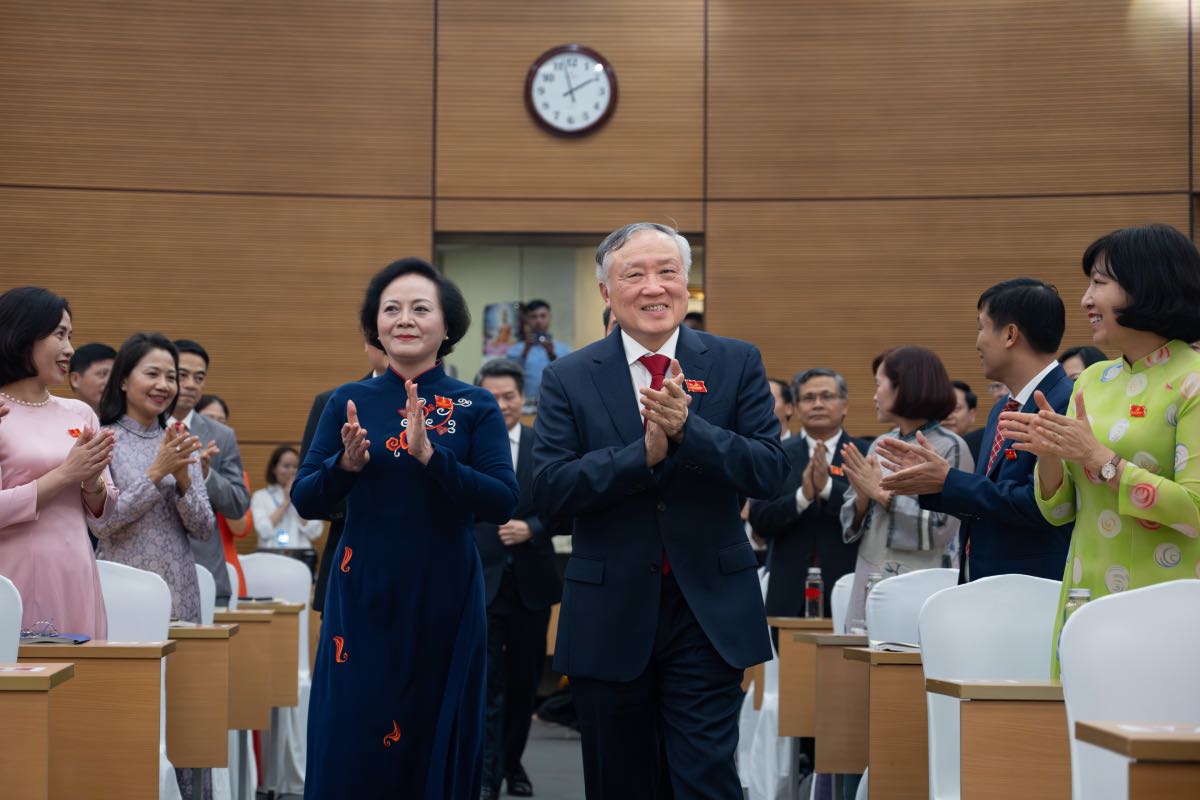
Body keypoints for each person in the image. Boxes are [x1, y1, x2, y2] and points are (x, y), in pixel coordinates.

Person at [532, 222, 786, 797]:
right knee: (620, 781)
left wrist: (691, 433)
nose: (654, 287)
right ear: (606, 292)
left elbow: (770, 471)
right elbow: (548, 491)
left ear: (686, 284)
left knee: (705, 779)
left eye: (667, 272)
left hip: (708, 611)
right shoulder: (569, 376)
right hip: (609, 610)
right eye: (635, 274)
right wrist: (637, 458)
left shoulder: (735, 361)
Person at [292, 258, 518, 799]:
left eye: (420, 308)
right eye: (391, 309)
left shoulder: (475, 404)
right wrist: (344, 465)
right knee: (354, 722)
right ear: (376, 325)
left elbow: (502, 501)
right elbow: (305, 498)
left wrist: (433, 458)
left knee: (434, 719)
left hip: (445, 589)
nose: (404, 319)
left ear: (447, 324)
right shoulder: (346, 401)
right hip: (362, 588)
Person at [1000, 223, 1200, 677]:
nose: (1086, 300)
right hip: (1085, 597)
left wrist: (1101, 461)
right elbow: (1060, 511)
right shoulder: (1092, 380)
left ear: (1148, 286)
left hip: (1165, 608)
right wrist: (1049, 453)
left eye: (1099, 283)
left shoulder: (1193, 381)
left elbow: (1194, 509)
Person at [877, 279, 1073, 583]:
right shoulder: (1003, 408)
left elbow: (1041, 505)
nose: (977, 342)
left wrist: (949, 480)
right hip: (984, 582)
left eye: (981, 327)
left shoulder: (1065, 401)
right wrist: (934, 481)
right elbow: (989, 498)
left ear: (1010, 335)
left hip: (1032, 585)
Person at [88, 333, 213, 800]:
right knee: (127, 713)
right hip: (121, 593)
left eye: (171, 377)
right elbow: (105, 523)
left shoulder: (178, 439)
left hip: (179, 588)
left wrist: (183, 478)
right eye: (153, 374)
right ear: (124, 379)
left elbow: (203, 527)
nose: (164, 385)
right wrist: (157, 472)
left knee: (185, 719)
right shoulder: (102, 440)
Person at [0, 287, 115, 638]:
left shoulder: (80, 413)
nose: (70, 349)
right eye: (59, 335)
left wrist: (92, 483)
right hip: (12, 574)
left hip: (76, 568)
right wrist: (66, 474)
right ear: (22, 335)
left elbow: (105, 515)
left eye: (70, 336)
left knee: (84, 669)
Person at [473, 358, 561, 800]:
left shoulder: (543, 444)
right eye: (492, 397)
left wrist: (534, 527)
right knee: (486, 683)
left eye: (509, 396)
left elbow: (567, 502)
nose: (502, 404)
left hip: (531, 581)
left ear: (522, 398)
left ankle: (513, 762)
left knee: (525, 683)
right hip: (481, 581)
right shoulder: (465, 444)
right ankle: (487, 772)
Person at [839, 346, 971, 627]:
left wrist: (882, 495)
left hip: (923, 579)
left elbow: (944, 529)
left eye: (879, 385)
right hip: (871, 568)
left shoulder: (950, 446)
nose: (874, 395)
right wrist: (862, 498)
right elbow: (851, 525)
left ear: (904, 387)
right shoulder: (880, 443)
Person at [749, 368, 868, 627]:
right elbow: (759, 519)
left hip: (847, 586)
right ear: (795, 407)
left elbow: (871, 516)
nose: (818, 404)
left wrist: (827, 489)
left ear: (845, 405)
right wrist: (802, 497)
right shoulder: (776, 454)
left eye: (827, 396)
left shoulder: (864, 454)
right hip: (787, 588)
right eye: (808, 398)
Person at [299, 339, 390, 617]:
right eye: (379, 339)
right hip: (350, 550)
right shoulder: (334, 401)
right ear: (367, 342)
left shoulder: (442, 405)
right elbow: (308, 489)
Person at [170, 340, 250, 607]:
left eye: (199, 377)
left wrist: (207, 476)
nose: (191, 384)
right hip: (148, 575)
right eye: (182, 375)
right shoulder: (143, 427)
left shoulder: (221, 435)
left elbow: (239, 504)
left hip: (206, 575)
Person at [196, 394, 251, 595]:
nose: (216, 426)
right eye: (209, 419)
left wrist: (212, 477)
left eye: (222, 421)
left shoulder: (237, 477)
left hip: (225, 568)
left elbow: (240, 528)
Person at [253, 445, 323, 549]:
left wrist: (298, 498)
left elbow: (315, 532)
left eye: (295, 466)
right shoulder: (260, 496)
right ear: (274, 469)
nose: (291, 471)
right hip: (270, 555)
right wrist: (286, 501)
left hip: (300, 555)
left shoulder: (307, 495)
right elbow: (263, 530)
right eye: (286, 466)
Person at [507, 299, 571, 407]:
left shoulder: (563, 349)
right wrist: (525, 351)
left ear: (550, 318)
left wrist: (552, 355)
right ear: (526, 320)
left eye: (543, 316)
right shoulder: (515, 350)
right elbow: (510, 376)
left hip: (556, 404)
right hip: (525, 405)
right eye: (533, 316)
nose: (538, 320)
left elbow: (568, 376)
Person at [67, 342, 116, 414]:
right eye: (102, 374)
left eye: (115, 375)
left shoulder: (126, 420)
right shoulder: (59, 418)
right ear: (75, 379)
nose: (111, 381)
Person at [946, 380, 985, 459]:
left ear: (971, 414)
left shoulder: (985, 448)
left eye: (956, 408)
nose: (948, 416)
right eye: (942, 408)